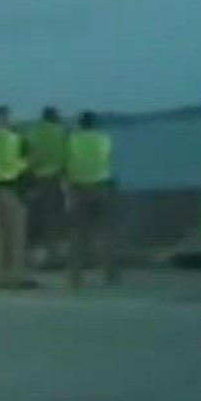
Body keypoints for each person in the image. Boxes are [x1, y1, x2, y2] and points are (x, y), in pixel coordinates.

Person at [64, 110, 118, 288]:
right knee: (104, 232)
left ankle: (75, 277)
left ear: (80, 124)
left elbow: (66, 164)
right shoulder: (104, 139)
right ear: (95, 124)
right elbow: (108, 158)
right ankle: (109, 273)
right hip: (101, 187)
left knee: (77, 235)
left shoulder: (71, 140)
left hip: (78, 189)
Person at [0, 105, 34, 288]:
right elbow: (26, 164)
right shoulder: (17, 140)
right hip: (12, 190)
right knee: (16, 236)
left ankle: (0, 277)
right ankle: (17, 276)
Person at [25, 106, 70, 268]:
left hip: (37, 179)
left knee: (40, 218)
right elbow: (68, 154)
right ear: (54, 117)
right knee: (56, 218)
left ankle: (40, 253)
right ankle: (55, 253)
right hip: (56, 179)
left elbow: (28, 156)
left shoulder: (33, 132)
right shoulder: (61, 131)